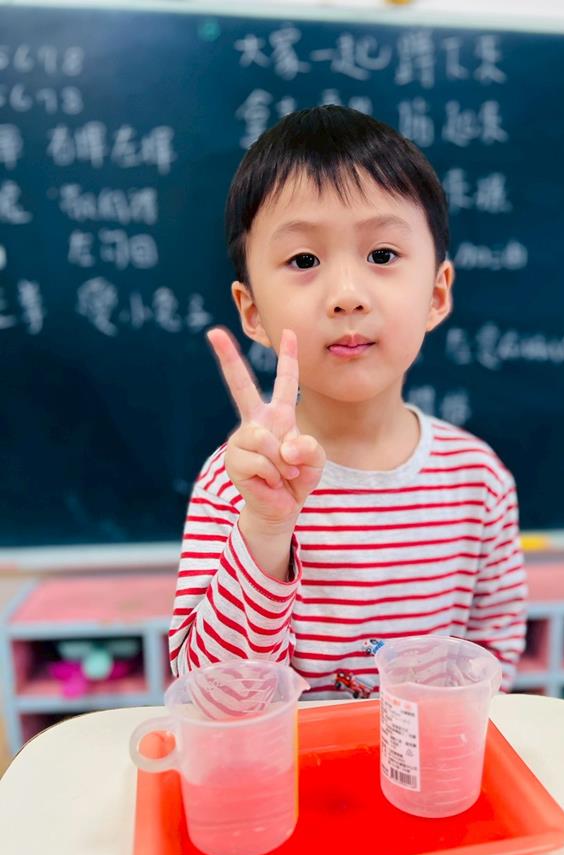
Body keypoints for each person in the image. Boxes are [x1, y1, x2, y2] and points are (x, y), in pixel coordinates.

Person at [169, 105, 527, 697]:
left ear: (437, 294)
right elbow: (215, 697)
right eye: (304, 260)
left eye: (382, 255)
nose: (347, 295)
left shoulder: (477, 480)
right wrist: (266, 528)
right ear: (252, 311)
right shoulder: (239, 484)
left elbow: (494, 650)